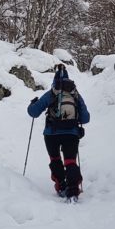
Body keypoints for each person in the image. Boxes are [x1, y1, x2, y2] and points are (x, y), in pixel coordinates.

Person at [27, 64, 90, 199]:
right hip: (71, 133)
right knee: (70, 161)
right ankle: (73, 189)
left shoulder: (51, 93)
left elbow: (33, 112)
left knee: (55, 159)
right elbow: (86, 118)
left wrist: (32, 104)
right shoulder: (75, 95)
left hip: (51, 133)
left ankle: (61, 185)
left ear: (54, 81)